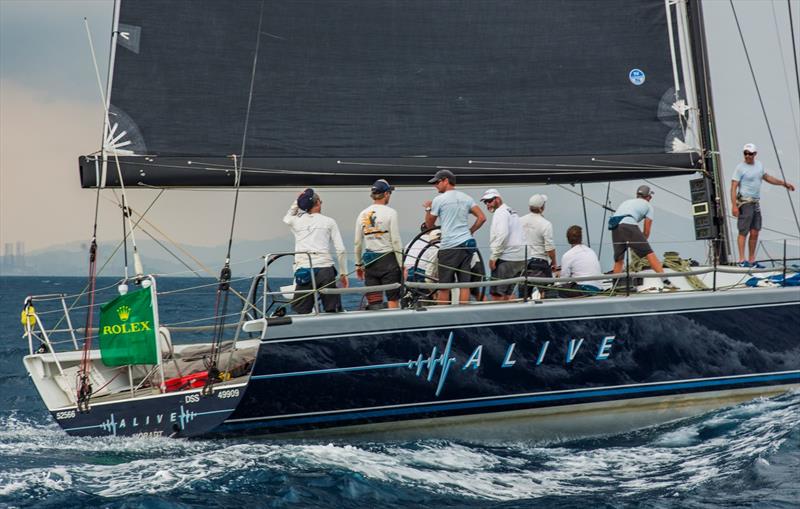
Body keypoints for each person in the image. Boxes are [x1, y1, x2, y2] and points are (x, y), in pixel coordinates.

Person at [423, 169, 486, 304]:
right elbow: (482, 218)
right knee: (464, 285)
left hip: (449, 247)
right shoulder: (466, 198)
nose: (435, 185)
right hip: (466, 245)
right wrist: (470, 231)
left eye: (437, 182)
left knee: (444, 287)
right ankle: (464, 314)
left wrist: (428, 208)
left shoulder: (439, 200)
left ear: (446, 180)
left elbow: (429, 225)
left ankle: (443, 317)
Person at [730, 143, 796, 267]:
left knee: (755, 231)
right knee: (743, 231)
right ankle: (741, 260)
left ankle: (751, 260)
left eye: (750, 153)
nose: (747, 156)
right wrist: (734, 205)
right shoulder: (740, 168)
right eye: (745, 153)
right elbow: (733, 187)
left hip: (755, 202)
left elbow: (767, 177)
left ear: (755, 154)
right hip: (745, 202)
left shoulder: (759, 165)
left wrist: (783, 183)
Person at [283, 189, 348, 314]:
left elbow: (287, 217)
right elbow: (341, 249)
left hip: (304, 271)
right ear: (317, 202)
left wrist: (298, 201)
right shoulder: (329, 222)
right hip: (325, 270)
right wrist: (343, 273)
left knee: (301, 310)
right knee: (332, 309)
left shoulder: (296, 221)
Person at [608, 185, 674, 288]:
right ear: (649, 197)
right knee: (649, 253)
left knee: (619, 258)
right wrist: (640, 243)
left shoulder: (626, 202)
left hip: (615, 226)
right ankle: (666, 281)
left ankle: (615, 286)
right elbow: (646, 231)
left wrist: (634, 242)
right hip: (628, 224)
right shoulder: (648, 206)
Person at [354, 179, 403, 309]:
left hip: (370, 262)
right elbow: (396, 241)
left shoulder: (362, 214)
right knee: (393, 298)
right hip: (389, 261)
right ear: (386, 194)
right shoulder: (391, 213)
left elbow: (357, 242)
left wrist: (358, 264)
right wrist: (402, 264)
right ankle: (395, 326)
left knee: (374, 302)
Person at [481, 188, 526, 301]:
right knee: (509, 293)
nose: (487, 204)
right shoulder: (511, 211)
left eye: (490, 200)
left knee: (497, 294)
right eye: (485, 202)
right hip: (520, 258)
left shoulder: (500, 212)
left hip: (506, 258)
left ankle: (497, 318)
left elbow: (502, 234)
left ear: (498, 199)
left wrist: (494, 257)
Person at [519, 194, 557, 297]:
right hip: (540, 263)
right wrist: (554, 263)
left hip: (524, 262)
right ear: (542, 208)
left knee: (524, 296)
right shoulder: (546, 224)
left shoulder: (520, 221)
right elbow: (550, 249)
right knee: (548, 294)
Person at [558, 225, 604, 297]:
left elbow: (564, 280)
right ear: (581, 238)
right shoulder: (591, 251)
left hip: (584, 289)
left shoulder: (567, 255)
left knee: (558, 290)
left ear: (567, 239)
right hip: (598, 288)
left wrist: (558, 275)